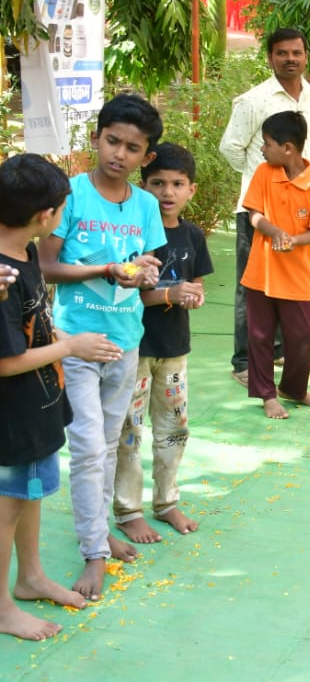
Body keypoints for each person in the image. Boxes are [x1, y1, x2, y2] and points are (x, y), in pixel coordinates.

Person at [37, 95, 166, 602]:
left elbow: (148, 267)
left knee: (109, 445)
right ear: (96, 138)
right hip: (73, 341)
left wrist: (145, 276)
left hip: (125, 341)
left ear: (145, 156)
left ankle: (101, 531)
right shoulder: (69, 195)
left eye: (133, 148)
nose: (119, 154)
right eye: (112, 141)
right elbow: (47, 267)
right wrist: (105, 269)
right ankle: (94, 550)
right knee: (89, 447)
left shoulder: (146, 206)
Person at [0, 155, 112, 638]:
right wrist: (70, 347)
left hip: (40, 403)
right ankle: (2, 608)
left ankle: (30, 577)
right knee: (6, 507)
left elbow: (33, 323)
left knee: (30, 494)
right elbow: (4, 361)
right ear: (45, 216)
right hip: (11, 414)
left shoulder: (25, 252)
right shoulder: (1, 274)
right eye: (64, 207)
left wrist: (60, 335)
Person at [112, 143, 211, 545]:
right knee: (130, 430)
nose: (167, 193)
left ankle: (167, 502)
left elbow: (198, 284)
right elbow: (129, 293)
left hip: (175, 350)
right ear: (143, 185)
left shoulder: (192, 235)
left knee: (174, 427)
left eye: (176, 184)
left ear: (191, 190)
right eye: (157, 184)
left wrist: (194, 294)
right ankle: (128, 510)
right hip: (135, 348)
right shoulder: (134, 234)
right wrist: (171, 294)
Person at [219, 28, 310, 388]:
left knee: (290, 284)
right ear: (270, 58)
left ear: (306, 56)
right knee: (252, 288)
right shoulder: (254, 101)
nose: (290, 59)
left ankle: (279, 351)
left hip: (301, 210)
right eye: (282, 53)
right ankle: (243, 361)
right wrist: (263, 179)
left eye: (297, 52)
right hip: (258, 211)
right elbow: (231, 149)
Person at [242, 112, 310, 420]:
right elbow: (253, 213)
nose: (263, 150)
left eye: (267, 144)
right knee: (260, 336)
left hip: (299, 277)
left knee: (302, 335)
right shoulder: (264, 173)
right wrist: (273, 231)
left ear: (288, 148)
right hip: (261, 274)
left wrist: (293, 239)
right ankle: (267, 394)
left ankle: (293, 388)